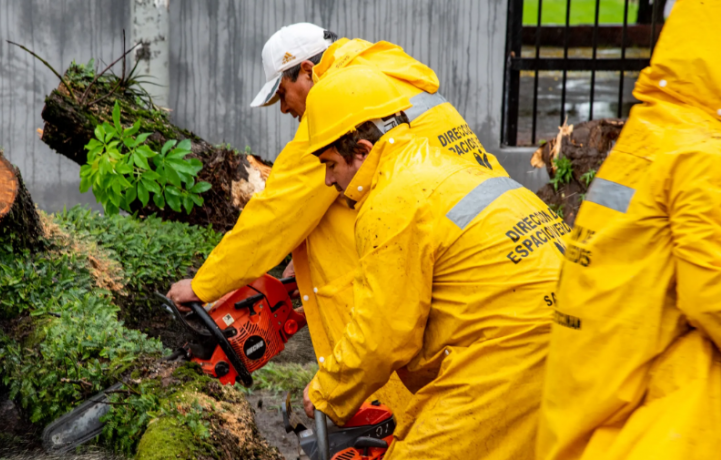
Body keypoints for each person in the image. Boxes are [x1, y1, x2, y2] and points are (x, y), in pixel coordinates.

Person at [166, 23, 508, 427]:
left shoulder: (339, 108)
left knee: (408, 392)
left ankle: (383, 417)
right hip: (485, 247)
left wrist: (204, 285)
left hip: (436, 262)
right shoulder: (390, 76)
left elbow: (275, 214)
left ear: (307, 72)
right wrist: (307, 254)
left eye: (281, 93)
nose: (284, 108)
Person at [301, 65, 568, 459]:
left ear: (362, 151)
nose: (327, 180)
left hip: (516, 349)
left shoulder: (391, 200)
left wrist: (326, 390)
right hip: (574, 331)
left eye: (330, 164)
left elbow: (383, 334)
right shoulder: (445, 165)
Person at [536, 1, 721, 459]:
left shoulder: (648, 133)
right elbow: (710, 296)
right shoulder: (700, 155)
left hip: (592, 398)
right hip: (651, 423)